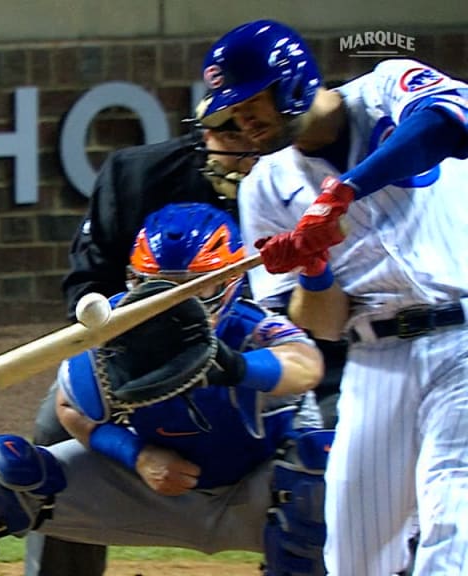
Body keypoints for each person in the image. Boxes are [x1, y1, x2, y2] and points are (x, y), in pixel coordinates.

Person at [0, 202, 331, 576]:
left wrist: (227, 366)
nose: (171, 304)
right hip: (151, 488)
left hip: (256, 495)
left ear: (229, 284)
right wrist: (137, 456)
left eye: (191, 289)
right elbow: (72, 410)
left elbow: (304, 366)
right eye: (156, 288)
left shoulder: (252, 328)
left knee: (315, 472)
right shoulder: (113, 329)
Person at [25, 101, 345, 576]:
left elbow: (332, 328)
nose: (245, 151)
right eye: (228, 136)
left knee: (344, 447)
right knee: (55, 425)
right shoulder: (139, 176)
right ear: (204, 134)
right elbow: (88, 283)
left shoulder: (322, 184)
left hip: (286, 352)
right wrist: (131, 344)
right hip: (146, 358)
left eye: (260, 138)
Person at [198, 19, 468, 575]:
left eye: (251, 101)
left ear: (292, 80)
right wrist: (315, 268)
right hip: (377, 359)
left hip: (464, 340)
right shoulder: (265, 186)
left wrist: (343, 193)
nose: (241, 120)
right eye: (230, 109)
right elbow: (318, 326)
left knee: (451, 524)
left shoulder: (387, 87)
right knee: (352, 554)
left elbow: (444, 125)